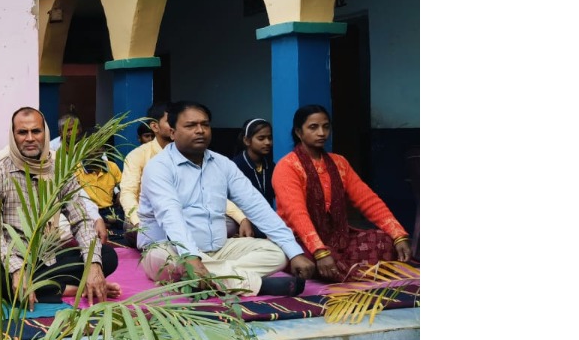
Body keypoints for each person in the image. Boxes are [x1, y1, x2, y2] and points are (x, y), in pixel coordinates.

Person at [136, 101, 315, 296]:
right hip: (170, 248)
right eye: (190, 126)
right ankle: (258, 285)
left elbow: (256, 205)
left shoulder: (223, 164)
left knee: (278, 254)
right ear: (172, 132)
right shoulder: (158, 167)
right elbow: (171, 216)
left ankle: (207, 278)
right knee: (162, 258)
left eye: (204, 125)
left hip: (219, 249)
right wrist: (190, 257)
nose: (200, 131)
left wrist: (294, 251)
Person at [0, 107, 120, 308]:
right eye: (22, 132)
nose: (29, 138)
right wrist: (17, 269)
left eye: (35, 131)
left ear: (45, 133)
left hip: (49, 257)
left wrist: (93, 265)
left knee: (107, 256)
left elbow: (80, 219)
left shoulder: (60, 168)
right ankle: (68, 289)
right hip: (11, 258)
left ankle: (42, 287)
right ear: (13, 136)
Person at [273, 105, 414, 282]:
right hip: (300, 242)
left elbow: (368, 201)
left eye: (326, 126)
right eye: (313, 127)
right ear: (299, 132)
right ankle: (356, 272)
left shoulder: (339, 163)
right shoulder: (287, 167)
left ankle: (353, 271)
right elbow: (297, 215)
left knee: (383, 241)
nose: (321, 133)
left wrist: (398, 235)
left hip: (338, 238)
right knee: (317, 262)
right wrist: (320, 251)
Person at [120, 102, 253, 244]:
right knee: (133, 228)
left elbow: (212, 195)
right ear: (154, 126)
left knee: (230, 223)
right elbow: (128, 193)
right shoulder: (138, 155)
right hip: (154, 218)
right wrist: (137, 221)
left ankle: (189, 241)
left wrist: (241, 217)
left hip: (192, 217)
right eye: (170, 121)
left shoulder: (194, 155)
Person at [76, 137, 125, 241]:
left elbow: (122, 187)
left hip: (111, 211)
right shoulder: (76, 170)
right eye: (92, 146)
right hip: (89, 212)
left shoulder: (112, 167)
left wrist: (121, 193)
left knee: (128, 226)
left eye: (100, 146)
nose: (97, 149)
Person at [232, 118, 276, 208]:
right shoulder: (235, 166)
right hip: (242, 220)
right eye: (261, 138)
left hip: (267, 218)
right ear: (247, 141)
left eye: (270, 138)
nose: (267, 142)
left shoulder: (271, 166)